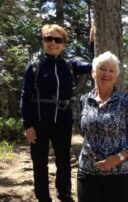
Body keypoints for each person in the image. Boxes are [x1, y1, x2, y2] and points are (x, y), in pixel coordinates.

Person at [21, 24, 92, 202]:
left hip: (63, 121)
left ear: (64, 44)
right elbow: (25, 96)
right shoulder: (34, 67)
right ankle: (43, 197)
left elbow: (94, 65)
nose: (53, 43)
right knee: (39, 163)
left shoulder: (70, 65)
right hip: (38, 122)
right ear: (44, 41)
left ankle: (64, 194)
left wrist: (92, 43)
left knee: (63, 161)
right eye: (49, 39)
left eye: (58, 40)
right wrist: (27, 125)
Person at [76, 51, 128, 202]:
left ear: (116, 76)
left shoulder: (126, 101)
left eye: (111, 70)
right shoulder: (84, 100)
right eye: (102, 68)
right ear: (93, 72)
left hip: (119, 173)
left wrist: (117, 158)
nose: (106, 73)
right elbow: (82, 131)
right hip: (87, 172)